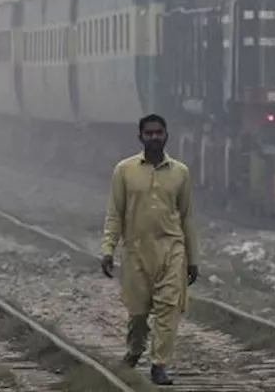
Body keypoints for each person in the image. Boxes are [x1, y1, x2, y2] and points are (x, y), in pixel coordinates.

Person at [99, 114, 199, 386]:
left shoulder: (181, 173)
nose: (154, 137)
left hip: (171, 249)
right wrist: (108, 248)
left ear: (166, 136)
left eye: (159, 133)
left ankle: (159, 365)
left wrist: (193, 258)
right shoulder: (124, 170)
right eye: (149, 133)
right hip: (136, 251)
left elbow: (187, 216)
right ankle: (134, 351)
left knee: (168, 308)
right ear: (140, 136)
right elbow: (115, 214)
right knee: (139, 312)